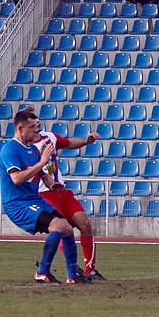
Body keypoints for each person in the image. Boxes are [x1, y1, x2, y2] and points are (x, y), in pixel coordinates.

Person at [0, 108, 89, 284]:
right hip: (17, 204)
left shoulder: (33, 149)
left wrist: (52, 184)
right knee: (57, 227)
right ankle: (42, 272)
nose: (37, 130)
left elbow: (43, 175)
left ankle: (73, 276)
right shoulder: (10, 149)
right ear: (20, 128)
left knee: (67, 228)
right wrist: (41, 162)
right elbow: (16, 179)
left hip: (34, 200)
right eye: (32, 127)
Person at [23, 106, 106, 280]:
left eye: (37, 119)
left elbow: (68, 143)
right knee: (61, 228)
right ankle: (74, 269)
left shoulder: (50, 137)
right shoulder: (24, 148)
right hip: (43, 195)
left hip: (62, 192)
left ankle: (90, 270)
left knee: (85, 224)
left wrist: (86, 141)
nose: (37, 122)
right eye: (33, 121)